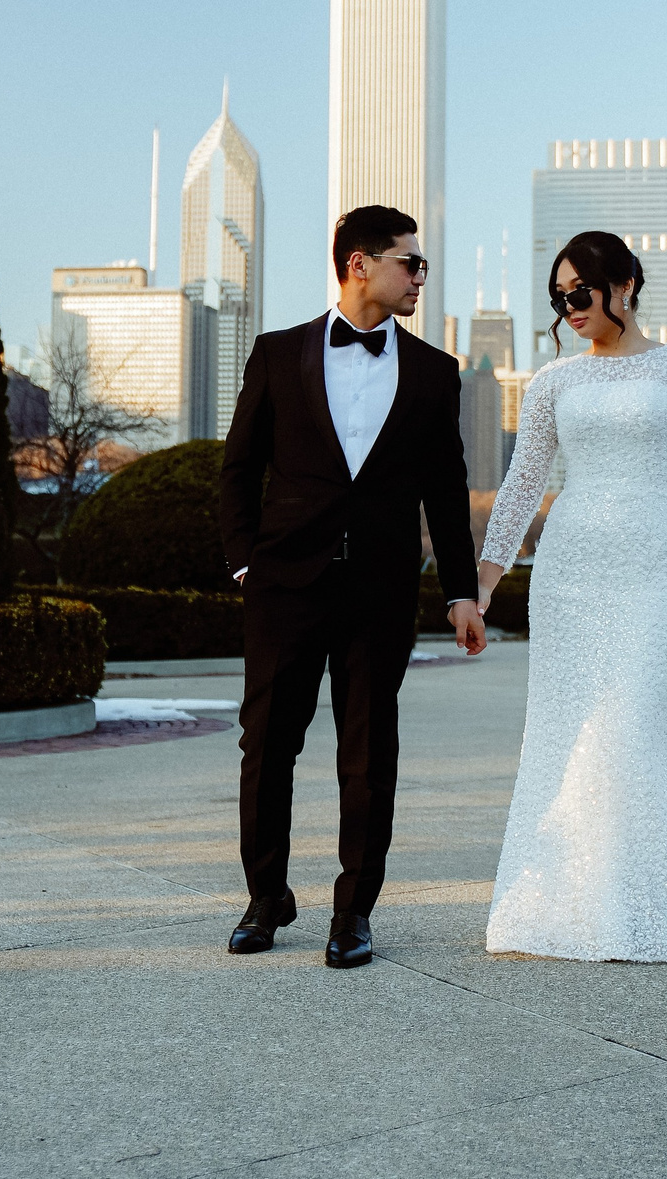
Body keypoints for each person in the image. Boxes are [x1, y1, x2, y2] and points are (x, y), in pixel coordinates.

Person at [474, 229, 667, 961]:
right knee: (569, 728)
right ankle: (575, 900)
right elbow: (522, 485)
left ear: (625, 283)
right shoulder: (552, 382)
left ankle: (652, 904)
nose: (569, 307)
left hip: (657, 565)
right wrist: (481, 582)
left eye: (581, 291)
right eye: (558, 296)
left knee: (636, 721)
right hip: (569, 569)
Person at [216, 205, 487, 968]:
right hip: (284, 584)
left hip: (381, 588)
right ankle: (265, 896)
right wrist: (246, 562)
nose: (420, 277)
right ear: (360, 263)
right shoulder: (276, 354)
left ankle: (352, 911)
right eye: (411, 262)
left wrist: (461, 591)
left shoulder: (436, 371)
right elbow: (239, 468)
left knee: (370, 751)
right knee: (267, 745)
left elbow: (447, 485)